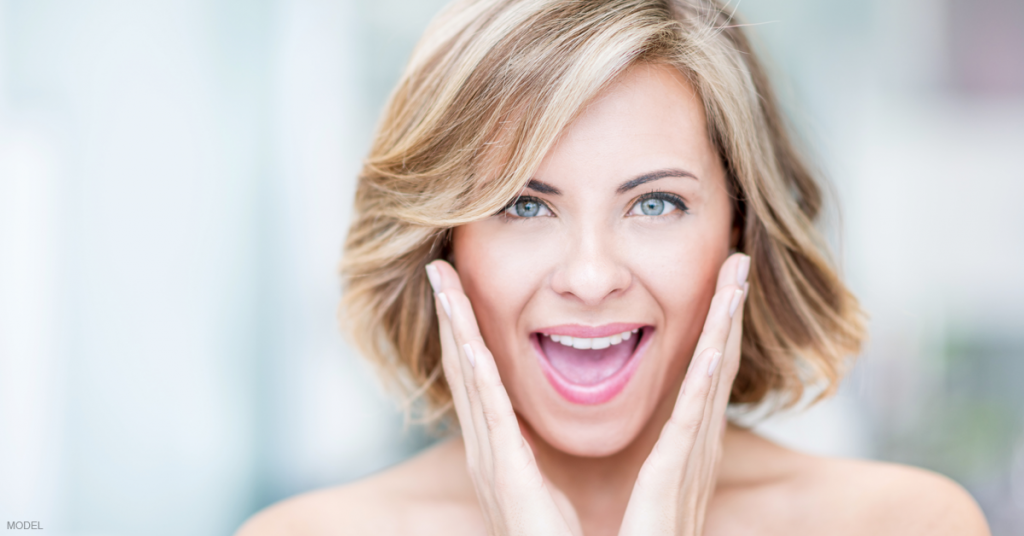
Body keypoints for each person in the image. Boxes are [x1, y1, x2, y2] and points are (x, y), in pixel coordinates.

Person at [238, 0, 991, 534]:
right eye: (525, 206)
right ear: (444, 245)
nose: (591, 277)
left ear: (741, 232)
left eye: (656, 204)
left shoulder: (906, 524)